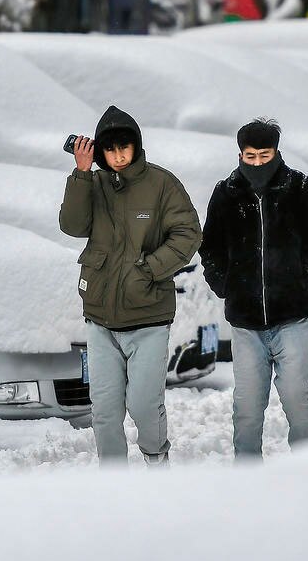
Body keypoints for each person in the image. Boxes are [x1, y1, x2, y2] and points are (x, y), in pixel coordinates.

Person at [60, 105, 202, 464]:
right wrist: (81, 173)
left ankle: (156, 461)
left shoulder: (161, 183)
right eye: (110, 148)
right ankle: (114, 483)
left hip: (148, 318)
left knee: (142, 404)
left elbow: (188, 234)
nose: (119, 154)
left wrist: (149, 269)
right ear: (101, 152)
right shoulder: (93, 184)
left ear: (137, 146)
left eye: (125, 146)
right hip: (101, 319)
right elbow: (72, 226)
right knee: (104, 410)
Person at [200, 119, 308, 460]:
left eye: (265, 155)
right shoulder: (226, 193)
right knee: (246, 404)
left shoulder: (300, 188)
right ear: (240, 154)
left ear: (276, 152)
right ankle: (247, 475)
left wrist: (303, 279)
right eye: (251, 156)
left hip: (292, 315)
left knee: (296, 395)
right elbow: (211, 247)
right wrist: (225, 284)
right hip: (245, 321)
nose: (258, 162)